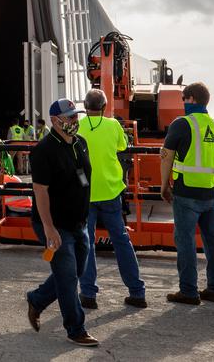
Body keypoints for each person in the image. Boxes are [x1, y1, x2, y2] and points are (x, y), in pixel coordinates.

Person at [25, 98, 99, 348]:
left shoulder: (81, 143)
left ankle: (36, 299)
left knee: (74, 272)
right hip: (55, 225)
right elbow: (40, 191)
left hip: (79, 222)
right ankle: (76, 328)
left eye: (76, 116)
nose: (74, 121)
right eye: (69, 118)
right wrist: (48, 228)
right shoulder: (44, 151)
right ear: (56, 121)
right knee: (68, 278)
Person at [76, 90, 146, 309]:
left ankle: (88, 294)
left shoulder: (77, 126)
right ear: (104, 107)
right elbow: (123, 146)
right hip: (110, 191)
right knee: (121, 240)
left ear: (85, 106)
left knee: (86, 243)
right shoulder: (113, 125)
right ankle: (136, 292)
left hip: (85, 193)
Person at [161, 81, 214, 305]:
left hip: (186, 191)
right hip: (209, 192)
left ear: (192, 100)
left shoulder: (182, 124)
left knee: (186, 241)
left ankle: (188, 291)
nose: (182, 103)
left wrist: (163, 185)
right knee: (213, 241)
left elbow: (167, 155)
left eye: (183, 99)